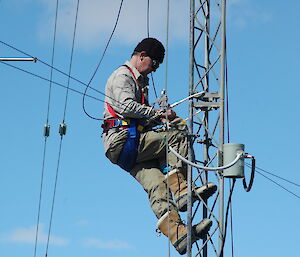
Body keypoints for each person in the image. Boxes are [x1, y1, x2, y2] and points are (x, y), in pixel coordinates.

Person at [102, 38, 217, 255]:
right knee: (176, 136)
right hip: (124, 140)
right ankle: (183, 191)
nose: (154, 70)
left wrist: (159, 119)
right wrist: (158, 114)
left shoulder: (139, 81)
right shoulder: (123, 76)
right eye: (154, 64)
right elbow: (126, 106)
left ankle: (179, 235)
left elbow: (137, 115)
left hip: (127, 148)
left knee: (157, 186)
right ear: (142, 55)